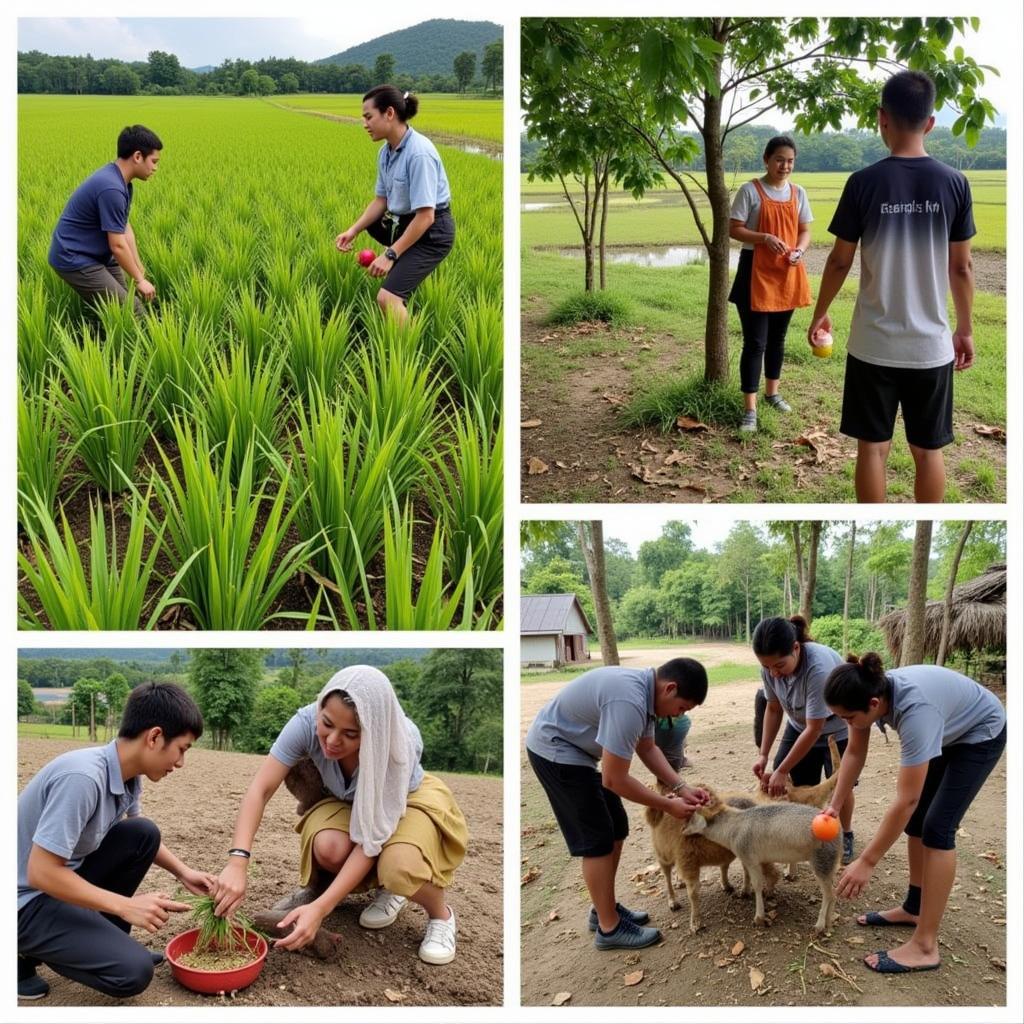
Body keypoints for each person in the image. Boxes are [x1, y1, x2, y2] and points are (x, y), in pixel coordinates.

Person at [213, 667, 467, 966]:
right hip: (345, 798)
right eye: (327, 724)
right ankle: (346, 890)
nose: (332, 740)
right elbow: (260, 789)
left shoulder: (397, 746)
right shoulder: (305, 722)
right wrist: (237, 861)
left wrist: (321, 910)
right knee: (330, 848)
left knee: (399, 867)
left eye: (350, 734)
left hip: (405, 800)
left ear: (372, 731)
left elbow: (372, 837)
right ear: (320, 707)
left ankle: (439, 915)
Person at [807, 70, 976, 502]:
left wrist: (820, 310)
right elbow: (962, 269)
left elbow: (840, 259)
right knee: (928, 450)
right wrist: (965, 329)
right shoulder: (954, 184)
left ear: (882, 118)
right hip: (931, 346)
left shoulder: (864, 183)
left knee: (872, 449)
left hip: (872, 345)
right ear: (930, 122)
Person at [17, 683, 214, 1001]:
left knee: (142, 834)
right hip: (23, 901)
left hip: (57, 887)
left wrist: (183, 872)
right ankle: (20, 955)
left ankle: (101, 941)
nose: (180, 763)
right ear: (154, 737)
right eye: (182, 749)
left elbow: (134, 831)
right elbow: (41, 873)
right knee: (132, 972)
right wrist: (126, 906)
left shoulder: (128, 775)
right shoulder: (82, 778)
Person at [822, 653, 1006, 974]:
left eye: (848, 717)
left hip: (980, 734)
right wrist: (835, 805)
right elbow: (853, 752)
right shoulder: (867, 694)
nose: (846, 723)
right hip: (948, 728)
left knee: (937, 829)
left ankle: (925, 946)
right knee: (919, 822)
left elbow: (906, 799)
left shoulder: (915, 711)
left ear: (875, 704)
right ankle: (914, 908)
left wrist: (867, 861)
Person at [525, 658, 710, 951]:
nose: (678, 716)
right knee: (597, 839)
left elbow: (648, 748)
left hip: (579, 753)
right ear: (670, 688)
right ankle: (609, 930)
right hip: (555, 751)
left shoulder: (647, 698)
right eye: (682, 708)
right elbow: (615, 780)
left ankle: (603, 909)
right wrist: (667, 805)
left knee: (617, 827)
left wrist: (681, 787)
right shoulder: (630, 701)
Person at [335, 86, 455, 323]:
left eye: (368, 117)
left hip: (432, 233)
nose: (364, 123)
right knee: (371, 223)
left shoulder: (419, 154)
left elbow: (426, 216)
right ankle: (403, 269)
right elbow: (381, 200)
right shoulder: (386, 152)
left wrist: (390, 255)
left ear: (389, 113)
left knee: (387, 298)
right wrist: (353, 230)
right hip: (405, 222)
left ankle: (406, 355)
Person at [751, 615, 856, 863]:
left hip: (835, 728)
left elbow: (815, 727)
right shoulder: (769, 668)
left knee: (841, 785)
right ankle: (807, 832)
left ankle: (846, 833)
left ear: (796, 648)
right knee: (798, 783)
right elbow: (774, 709)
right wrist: (764, 754)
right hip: (799, 725)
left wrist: (781, 769)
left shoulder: (817, 668)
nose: (774, 674)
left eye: (779, 665)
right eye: (767, 667)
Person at [728, 135, 813, 432]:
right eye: (779, 159)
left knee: (778, 339)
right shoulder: (750, 191)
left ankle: (772, 393)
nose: (785, 165)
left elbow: (805, 231)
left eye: (790, 160)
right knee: (756, 342)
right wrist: (763, 237)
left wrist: (799, 250)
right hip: (754, 272)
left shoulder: (798, 192)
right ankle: (749, 409)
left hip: (787, 271)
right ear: (766, 159)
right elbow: (734, 229)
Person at [48, 124, 162, 317]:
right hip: (74, 257)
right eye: (154, 161)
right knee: (133, 311)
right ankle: (144, 345)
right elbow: (117, 245)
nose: (155, 168)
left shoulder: (121, 182)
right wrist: (140, 280)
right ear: (137, 156)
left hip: (98, 254)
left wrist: (138, 270)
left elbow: (125, 229)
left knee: (124, 298)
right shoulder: (111, 188)